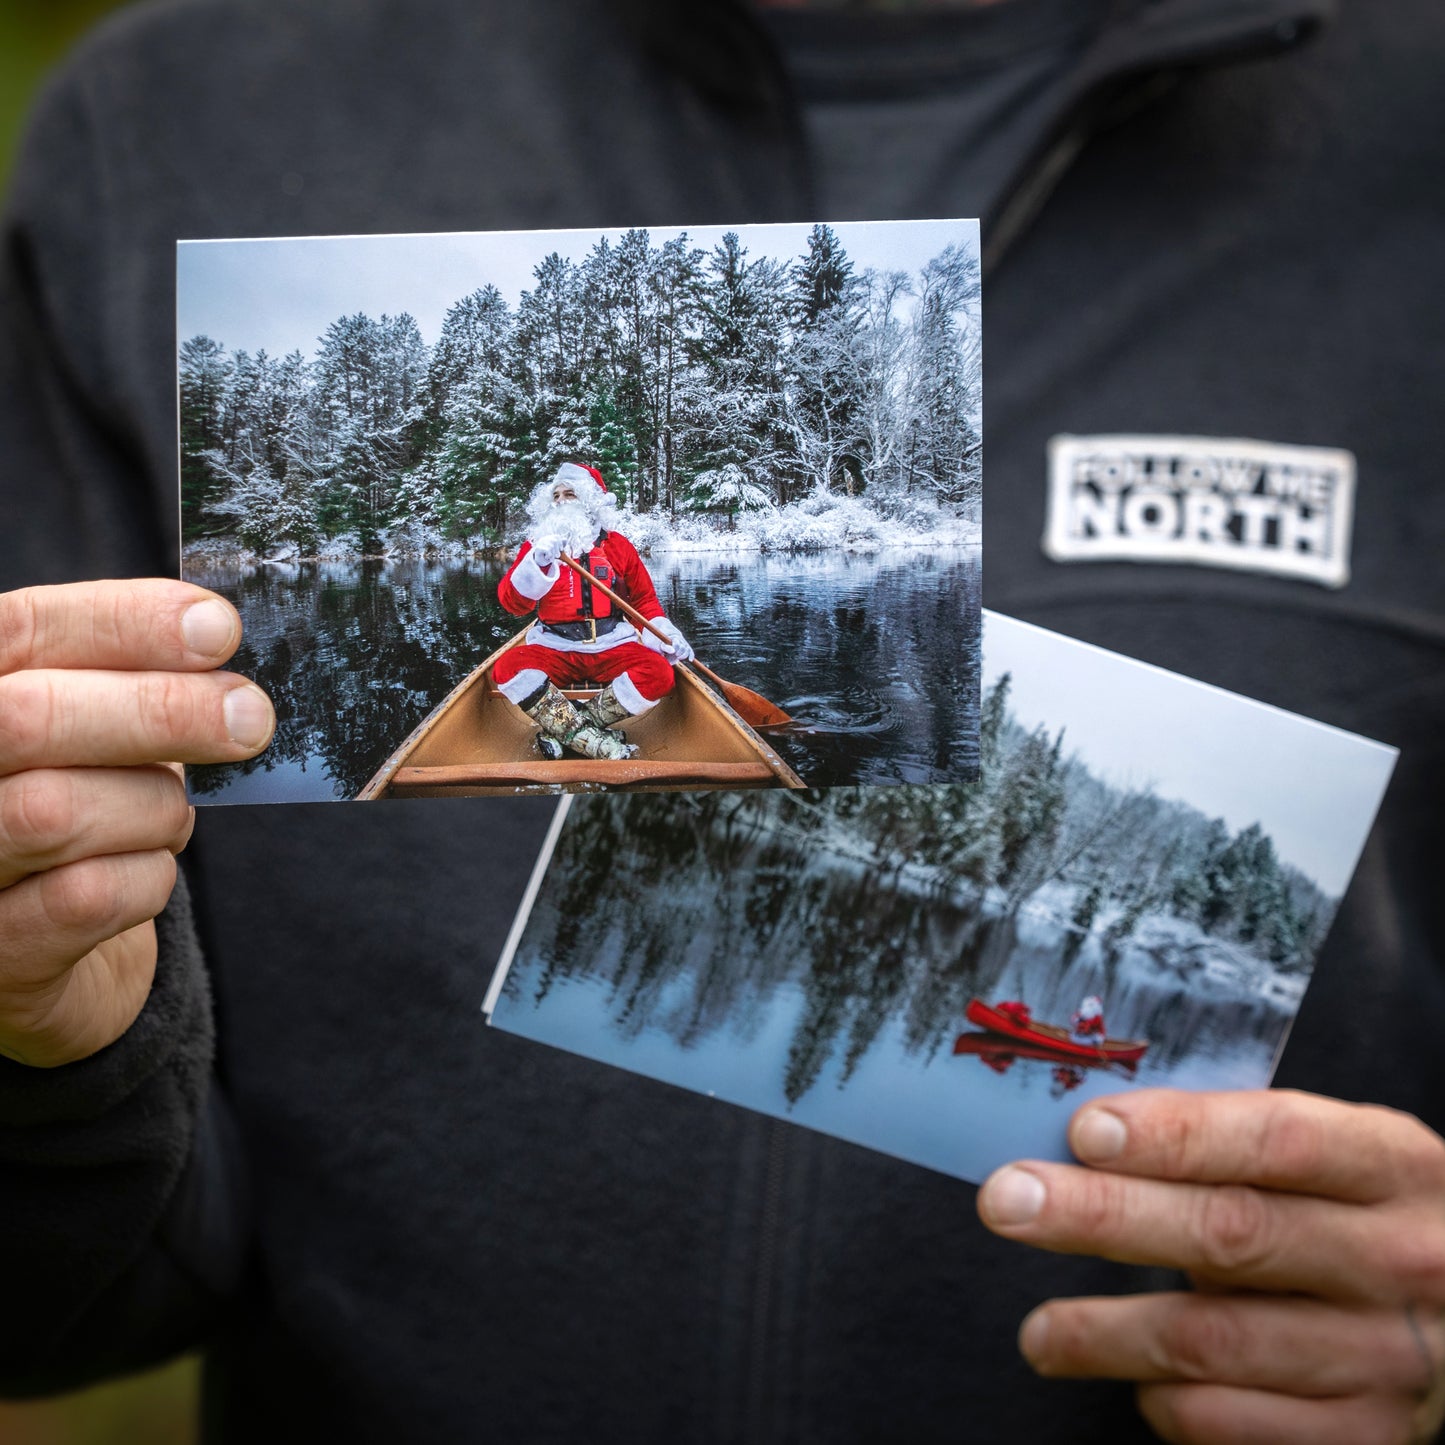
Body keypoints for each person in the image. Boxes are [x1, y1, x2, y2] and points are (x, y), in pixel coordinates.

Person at [2, 2, 1444, 1442]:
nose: (577, 515)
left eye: (583, 506)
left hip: (623, 655)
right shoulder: (170, 116)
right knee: (551, 675)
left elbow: (641, 610)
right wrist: (40, 1034)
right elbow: (67, 1292)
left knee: (646, 678)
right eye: (568, 505)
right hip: (549, 659)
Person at [493, 462, 694, 761]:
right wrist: (537, 563)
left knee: (660, 674)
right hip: (554, 647)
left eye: (569, 494)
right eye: (556, 496)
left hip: (611, 645)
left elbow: (644, 602)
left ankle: (570, 731)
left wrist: (666, 635)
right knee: (506, 669)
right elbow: (513, 604)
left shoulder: (618, 546)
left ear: (589, 501)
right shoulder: (537, 547)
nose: (560, 501)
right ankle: (597, 741)